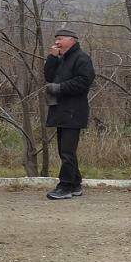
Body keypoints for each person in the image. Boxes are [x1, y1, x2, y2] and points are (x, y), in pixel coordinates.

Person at [43, 28, 95, 200]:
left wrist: (60, 88)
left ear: (72, 40)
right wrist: (52, 58)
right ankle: (75, 184)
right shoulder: (62, 59)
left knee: (67, 152)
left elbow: (84, 82)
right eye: (56, 39)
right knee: (65, 151)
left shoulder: (82, 58)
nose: (56, 42)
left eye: (60, 38)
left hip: (74, 111)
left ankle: (65, 186)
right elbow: (49, 76)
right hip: (61, 111)